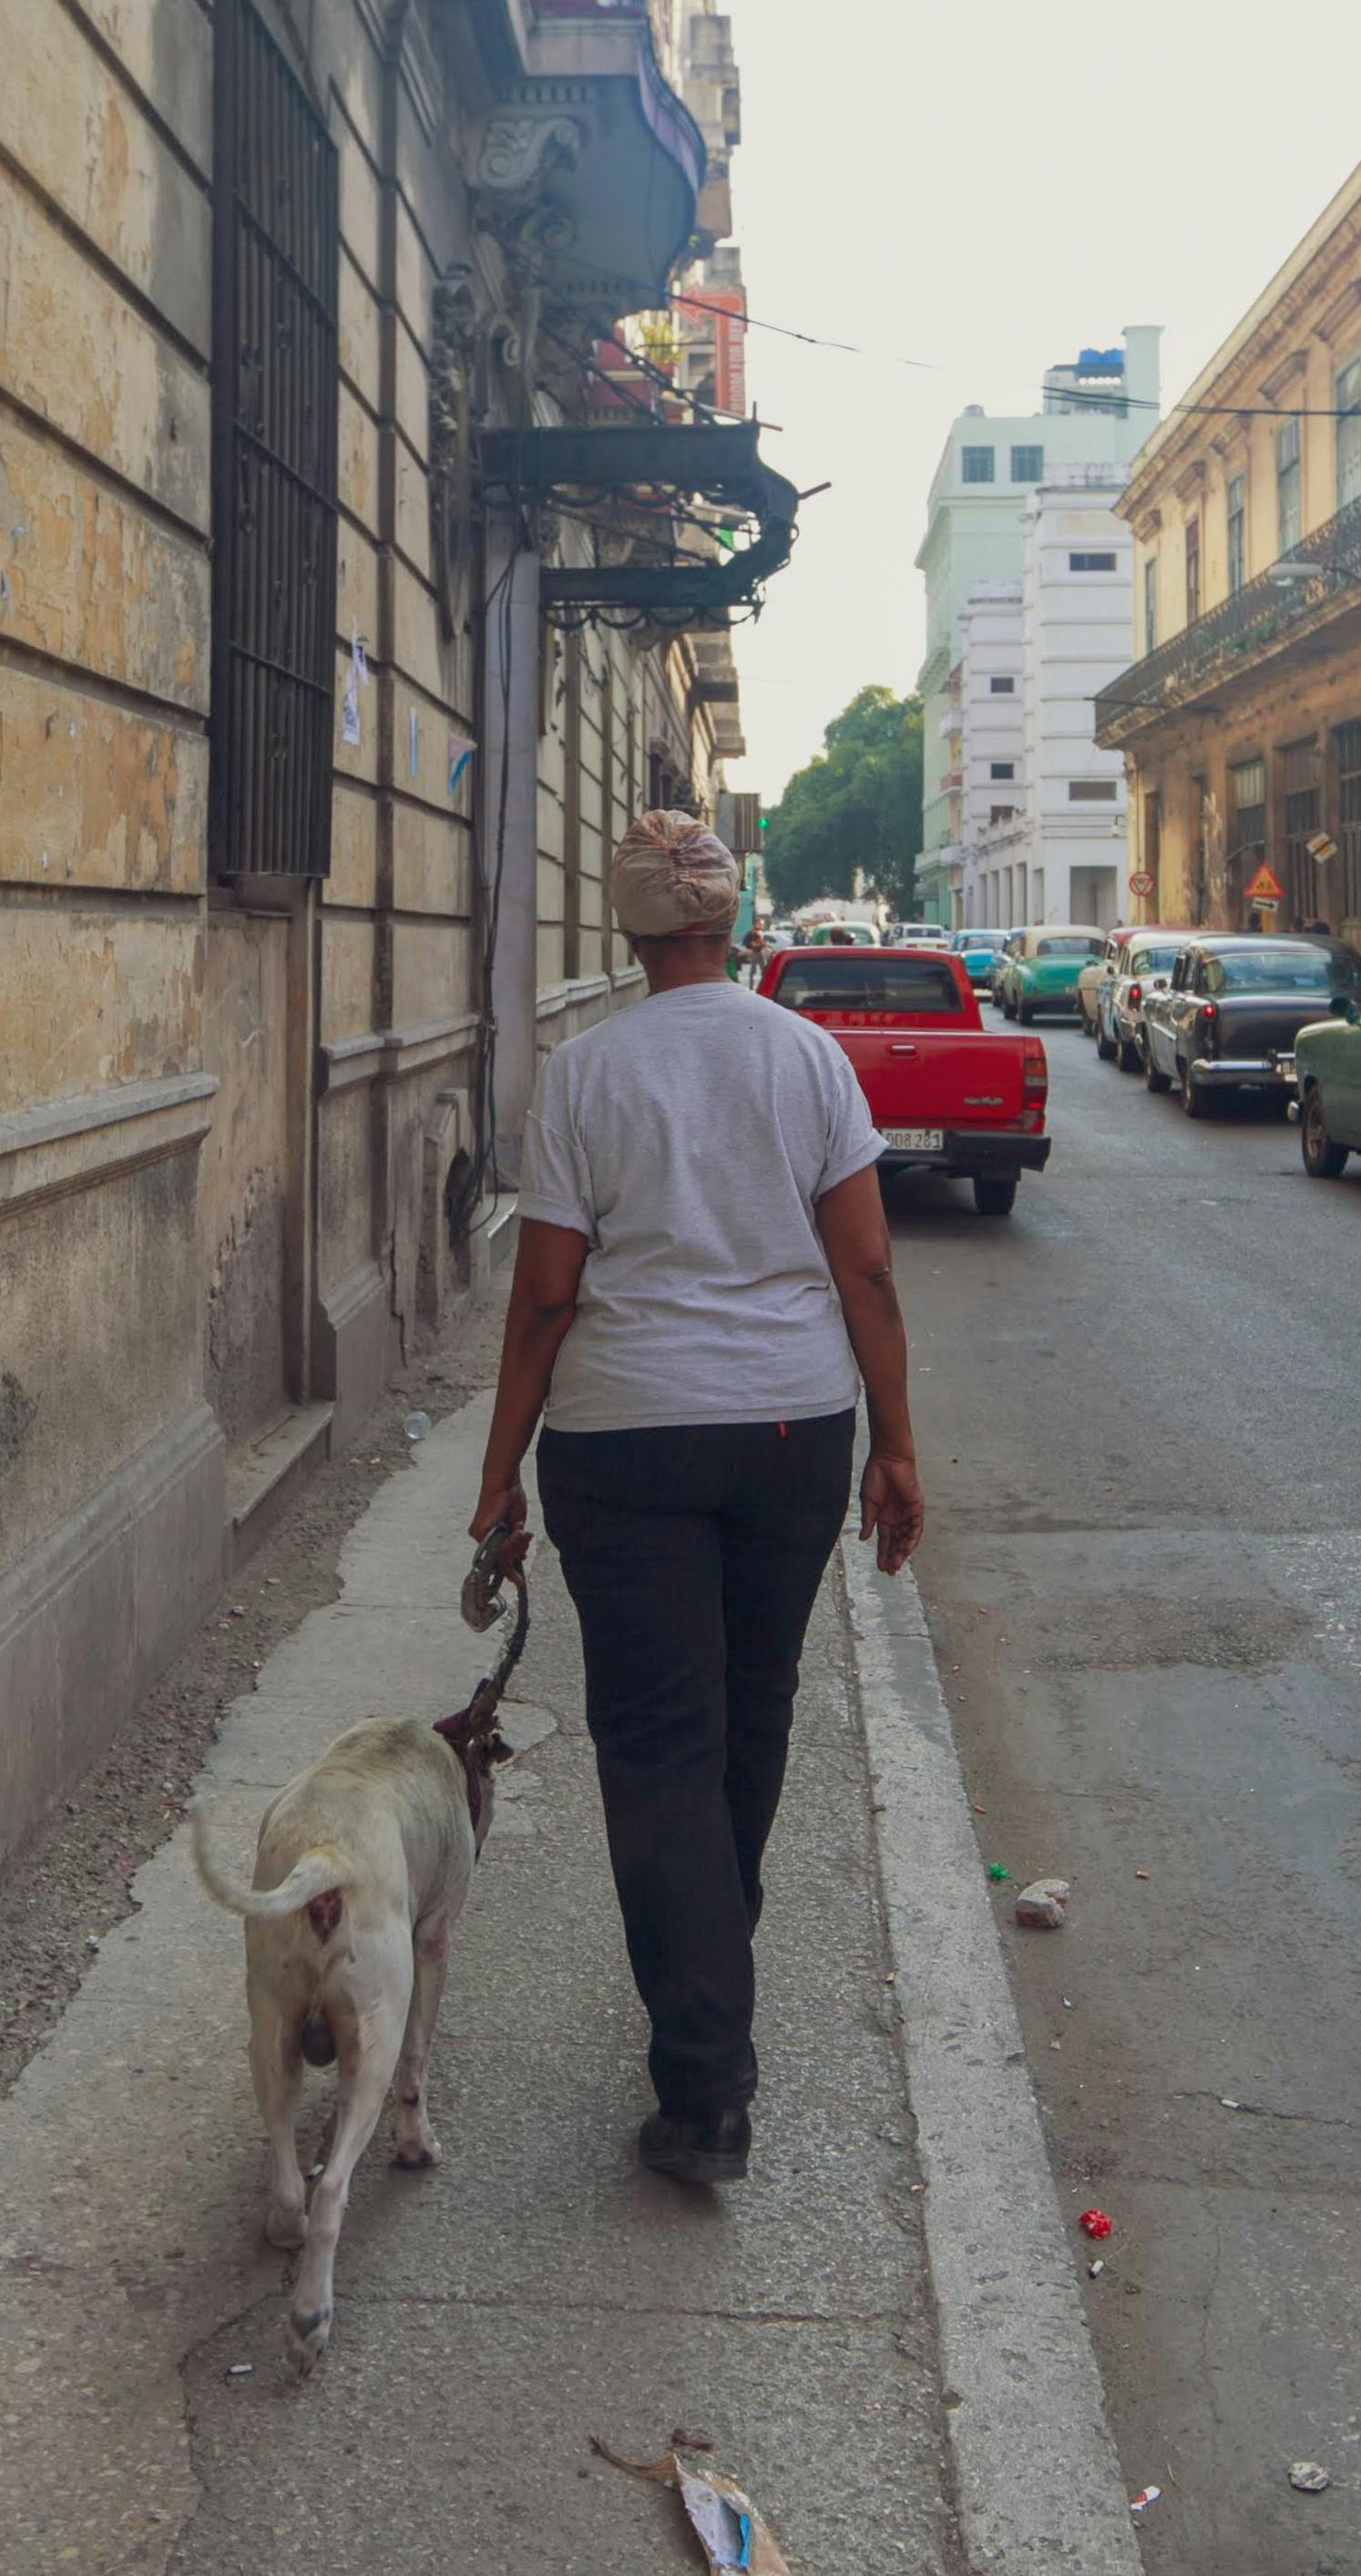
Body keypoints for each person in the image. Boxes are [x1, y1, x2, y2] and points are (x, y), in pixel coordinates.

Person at [466, 813, 926, 2186]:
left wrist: (500, 1469)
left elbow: (547, 1293)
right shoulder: (809, 1057)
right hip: (793, 1428)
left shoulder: (587, 1074)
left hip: (627, 1440)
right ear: (729, 923)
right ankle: (712, 1953)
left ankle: (705, 2072)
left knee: (659, 1742)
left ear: (627, 929)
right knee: (753, 1707)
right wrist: (898, 1448)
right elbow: (869, 1277)